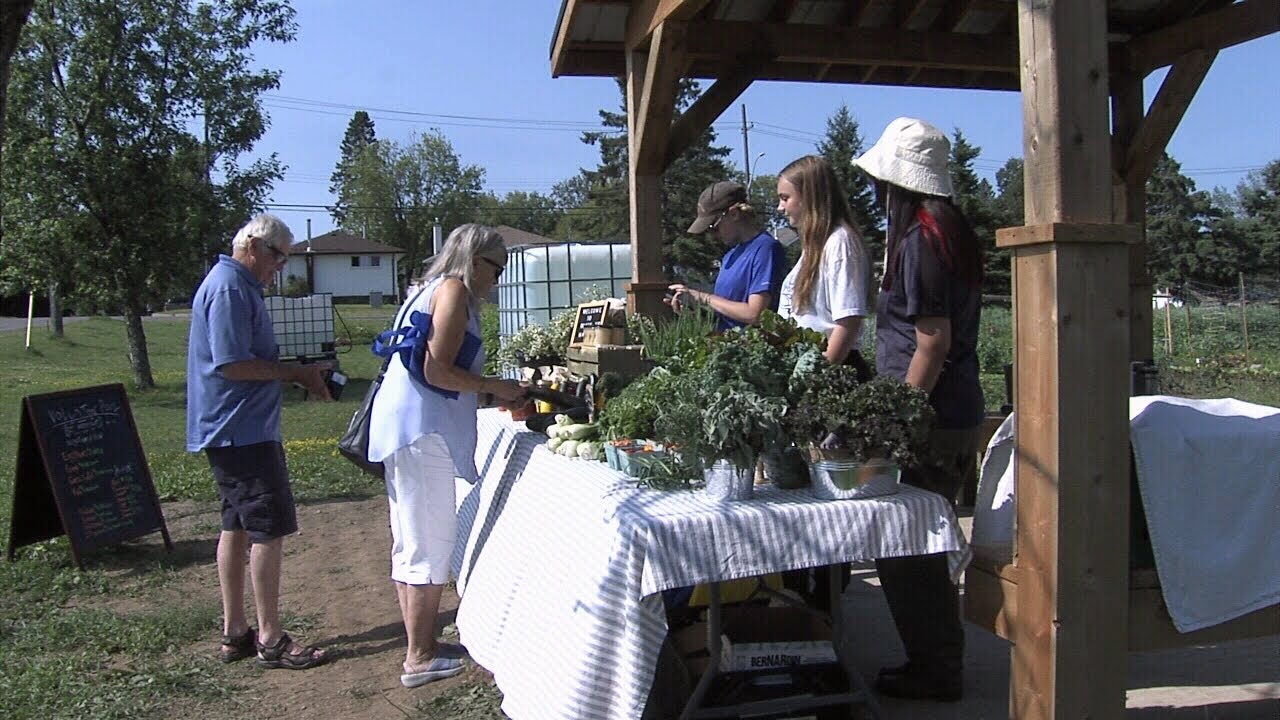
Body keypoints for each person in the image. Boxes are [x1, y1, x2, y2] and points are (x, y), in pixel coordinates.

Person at [853, 117, 985, 702]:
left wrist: (896, 419)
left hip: (930, 416)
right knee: (917, 546)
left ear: (896, 184)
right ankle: (936, 661)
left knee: (908, 548)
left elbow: (931, 342)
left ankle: (936, 669)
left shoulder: (920, 240)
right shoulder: (949, 231)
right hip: (953, 409)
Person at [367, 224, 526, 688]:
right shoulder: (454, 291)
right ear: (475, 261)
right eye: (496, 267)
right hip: (425, 431)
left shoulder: (428, 288)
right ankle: (419, 657)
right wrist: (494, 386)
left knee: (410, 541)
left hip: (406, 429)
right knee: (430, 543)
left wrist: (485, 391)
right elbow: (437, 370)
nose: (497, 278)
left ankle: (423, 644)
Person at [186, 213, 330, 670]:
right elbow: (232, 364)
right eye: (277, 256)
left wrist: (294, 372)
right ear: (252, 246)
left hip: (236, 431)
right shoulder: (230, 288)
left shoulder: (238, 286)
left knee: (237, 526)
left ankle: (235, 632)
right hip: (241, 432)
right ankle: (271, 638)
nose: (281, 266)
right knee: (268, 529)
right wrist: (295, 373)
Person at [774, 155, 873, 367]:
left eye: (785, 198)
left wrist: (820, 373)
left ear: (809, 197)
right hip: (808, 362)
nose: (780, 208)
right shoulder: (816, 245)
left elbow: (848, 322)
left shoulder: (840, 242)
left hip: (833, 364)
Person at [668, 180, 786, 330]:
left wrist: (703, 297)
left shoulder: (766, 249)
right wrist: (693, 313)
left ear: (734, 214)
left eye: (713, 227)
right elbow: (726, 318)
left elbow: (756, 315)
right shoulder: (729, 257)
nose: (711, 235)